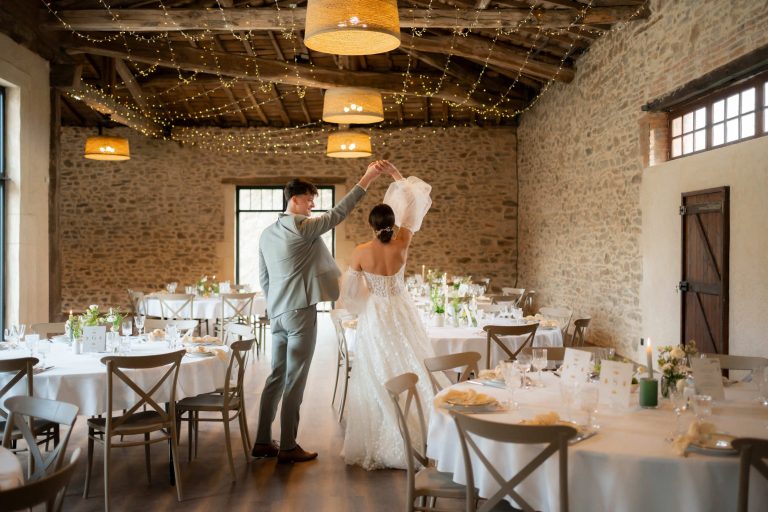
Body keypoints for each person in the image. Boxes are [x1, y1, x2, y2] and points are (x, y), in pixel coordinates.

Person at [252, 162, 384, 464]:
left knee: (276, 375)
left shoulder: (265, 234)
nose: (313, 204)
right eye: (309, 198)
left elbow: (264, 278)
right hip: (300, 312)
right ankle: (287, 445)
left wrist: (275, 307)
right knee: (295, 378)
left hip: (278, 313)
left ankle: (261, 441)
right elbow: (339, 213)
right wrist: (366, 178)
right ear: (294, 199)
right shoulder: (302, 227)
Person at [340, 161, 444, 470]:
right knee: (411, 362)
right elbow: (414, 201)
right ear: (392, 222)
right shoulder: (403, 243)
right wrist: (398, 175)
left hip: (376, 315)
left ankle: (388, 431)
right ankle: (424, 433)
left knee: (377, 370)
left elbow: (349, 294)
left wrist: (361, 305)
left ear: (371, 225)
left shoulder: (360, 252)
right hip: (402, 310)